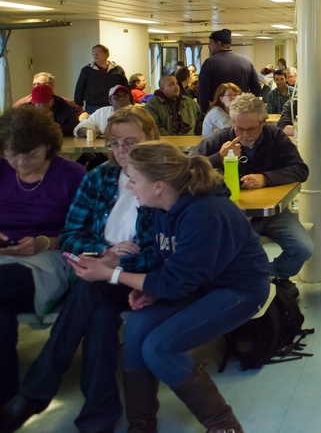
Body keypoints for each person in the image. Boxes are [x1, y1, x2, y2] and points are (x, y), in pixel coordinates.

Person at [66, 142, 270, 432]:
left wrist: (111, 274)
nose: (130, 187)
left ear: (159, 185)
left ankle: (224, 426)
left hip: (239, 291)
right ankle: (141, 425)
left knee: (159, 348)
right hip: (198, 285)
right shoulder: (165, 206)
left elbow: (175, 281)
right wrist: (149, 288)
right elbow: (174, 268)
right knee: (136, 329)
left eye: (134, 180)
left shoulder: (205, 213)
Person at [0, 107, 160, 432]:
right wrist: (102, 252)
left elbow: (167, 249)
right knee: (98, 313)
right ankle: (96, 418)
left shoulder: (166, 179)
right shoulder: (99, 178)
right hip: (99, 273)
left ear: (151, 139)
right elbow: (73, 235)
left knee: (90, 290)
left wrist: (117, 263)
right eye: (114, 142)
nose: (121, 150)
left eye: (131, 141)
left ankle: (36, 392)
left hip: (146, 279)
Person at [0, 107, 87, 407]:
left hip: (53, 257)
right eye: (12, 154)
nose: (21, 162)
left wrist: (43, 242)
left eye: (31, 154)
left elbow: (87, 233)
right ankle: (6, 398)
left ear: (48, 146)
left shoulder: (72, 175)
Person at [193, 93, 311, 295]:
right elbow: (187, 169)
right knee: (227, 253)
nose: (245, 135)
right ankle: (245, 283)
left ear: (263, 123)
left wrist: (265, 178)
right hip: (231, 215)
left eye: (252, 129)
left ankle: (272, 275)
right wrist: (217, 158)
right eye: (239, 129)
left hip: (269, 213)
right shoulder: (222, 138)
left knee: (302, 248)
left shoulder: (275, 137)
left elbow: (300, 170)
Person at [196, 28, 261, 112]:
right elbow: (256, 87)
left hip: (219, 111)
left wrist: (205, 111)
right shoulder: (246, 61)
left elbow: (203, 91)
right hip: (241, 111)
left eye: (210, 43)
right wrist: (247, 105)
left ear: (218, 44)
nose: (209, 46)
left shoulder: (209, 63)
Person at [74, 45, 128, 113]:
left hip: (115, 105)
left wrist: (130, 103)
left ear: (107, 54)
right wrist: (78, 108)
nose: (95, 55)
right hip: (93, 106)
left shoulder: (117, 69)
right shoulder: (87, 70)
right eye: (93, 53)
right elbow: (80, 89)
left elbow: (126, 87)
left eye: (98, 52)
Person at [13, 73, 81, 112]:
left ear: (52, 86)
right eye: (34, 84)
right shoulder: (22, 103)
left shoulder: (64, 102)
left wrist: (82, 118)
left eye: (40, 84)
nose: (36, 87)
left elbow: (82, 112)